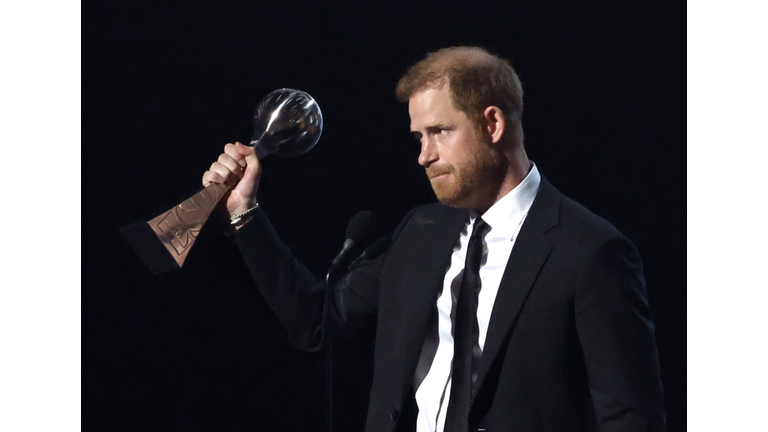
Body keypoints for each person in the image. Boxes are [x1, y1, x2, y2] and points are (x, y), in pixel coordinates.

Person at [202, 46, 665, 432]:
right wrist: (244, 212)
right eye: (418, 137)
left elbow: (630, 419)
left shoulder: (591, 251)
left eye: (440, 132)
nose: (424, 156)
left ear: (493, 124)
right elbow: (316, 324)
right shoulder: (420, 232)